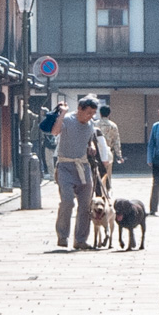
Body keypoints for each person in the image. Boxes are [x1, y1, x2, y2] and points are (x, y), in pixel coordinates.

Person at [52, 96, 100, 250]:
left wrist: (91, 145)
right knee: (67, 202)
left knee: (85, 205)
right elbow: (55, 132)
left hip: (83, 167)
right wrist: (62, 114)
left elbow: (89, 138)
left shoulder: (91, 124)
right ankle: (62, 236)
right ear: (79, 109)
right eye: (88, 112)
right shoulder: (67, 120)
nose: (91, 116)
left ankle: (80, 240)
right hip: (65, 166)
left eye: (93, 113)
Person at [98, 104, 124, 189]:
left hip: (97, 152)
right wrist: (119, 155)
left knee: (96, 174)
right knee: (107, 174)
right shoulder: (113, 125)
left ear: (100, 113)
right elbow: (116, 141)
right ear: (109, 114)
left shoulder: (95, 124)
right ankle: (107, 190)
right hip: (109, 152)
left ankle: (97, 191)